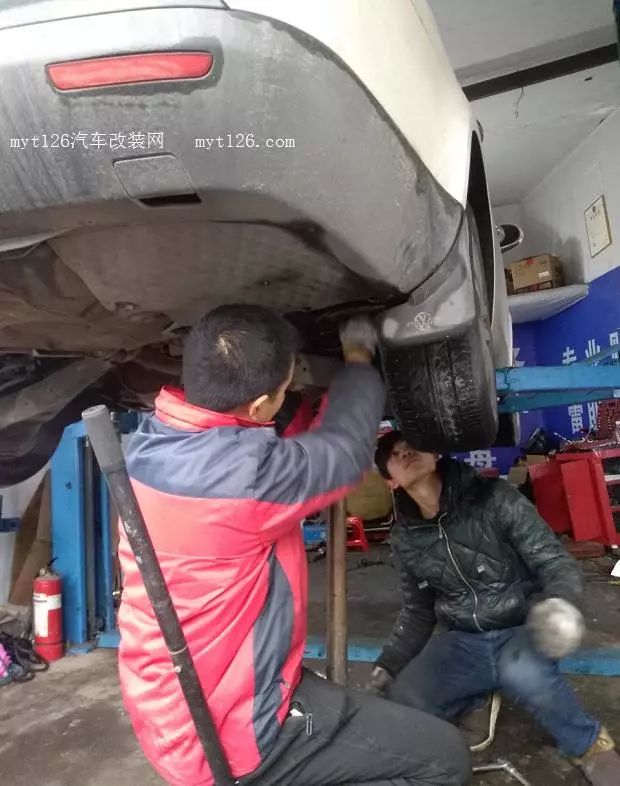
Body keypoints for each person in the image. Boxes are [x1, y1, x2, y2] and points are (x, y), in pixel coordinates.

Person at [118, 305, 471, 786]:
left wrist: (296, 406)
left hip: (168, 712)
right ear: (260, 404)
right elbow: (344, 452)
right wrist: (358, 360)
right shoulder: (248, 480)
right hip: (234, 733)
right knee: (445, 760)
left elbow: (267, 449)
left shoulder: (147, 445)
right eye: (283, 390)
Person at [369, 432, 620, 786]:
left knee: (524, 674)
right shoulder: (405, 538)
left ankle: (590, 745)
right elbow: (418, 611)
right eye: (394, 454)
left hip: (521, 626)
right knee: (405, 697)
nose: (406, 451)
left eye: (412, 444)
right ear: (390, 481)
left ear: (435, 454)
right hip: (463, 639)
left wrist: (560, 605)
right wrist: (389, 663)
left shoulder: (494, 498)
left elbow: (555, 562)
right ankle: (474, 700)